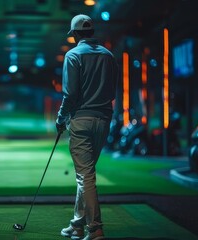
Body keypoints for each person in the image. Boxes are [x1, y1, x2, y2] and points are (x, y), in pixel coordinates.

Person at [56, 14, 118, 240]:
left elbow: (70, 94)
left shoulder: (73, 55)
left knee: (85, 176)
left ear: (74, 35)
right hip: (103, 120)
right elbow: (112, 91)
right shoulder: (109, 56)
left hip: (81, 120)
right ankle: (77, 225)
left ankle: (95, 229)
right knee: (86, 174)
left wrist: (61, 118)